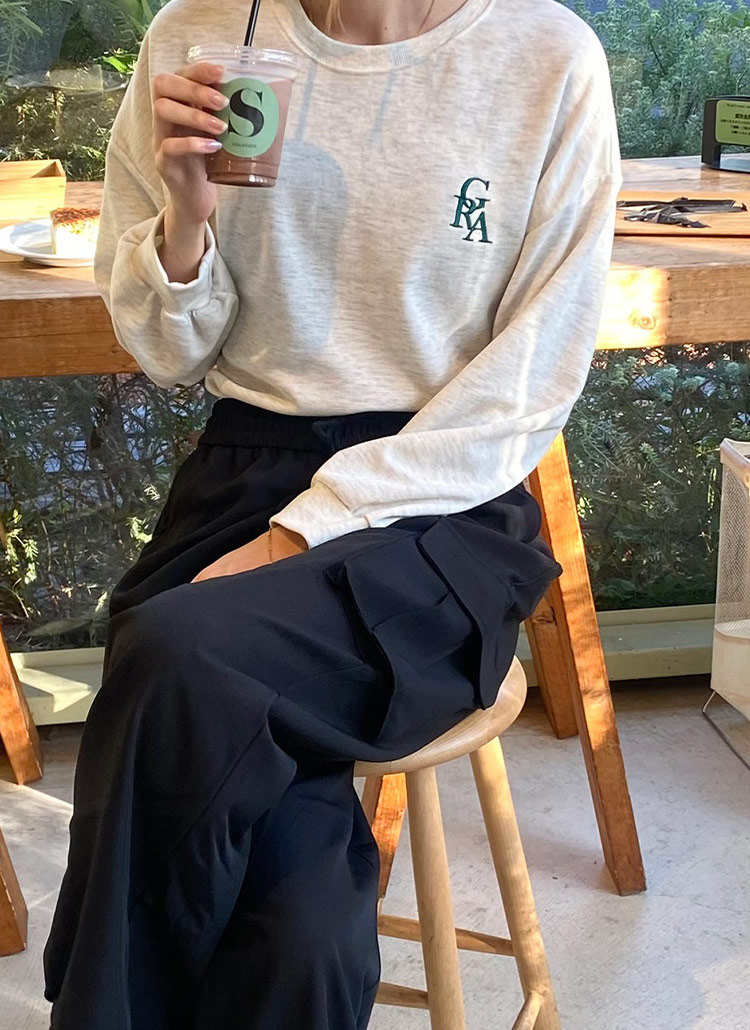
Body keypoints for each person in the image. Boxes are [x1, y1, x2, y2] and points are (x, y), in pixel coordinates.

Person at [42, 0, 623, 1027]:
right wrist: (186, 217)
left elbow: (529, 386)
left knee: (178, 649)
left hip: (446, 507)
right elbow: (173, 357)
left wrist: (300, 533)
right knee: (298, 931)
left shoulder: (544, 58)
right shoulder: (200, 34)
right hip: (246, 466)